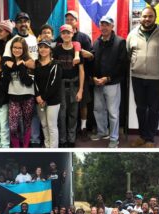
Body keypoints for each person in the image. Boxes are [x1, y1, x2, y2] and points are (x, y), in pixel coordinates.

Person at [127, 6, 159, 148]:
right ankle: (142, 136)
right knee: (140, 108)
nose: (147, 19)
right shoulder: (132, 34)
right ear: (140, 18)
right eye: (145, 16)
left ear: (155, 17)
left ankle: (150, 138)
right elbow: (129, 53)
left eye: (150, 16)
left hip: (157, 79)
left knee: (154, 109)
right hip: (137, 77)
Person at [3, 12, 40, 147]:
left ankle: (28, 144)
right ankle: (16, 145)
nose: (23, 24)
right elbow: (7, 63)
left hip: (31, 86)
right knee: (14, 124)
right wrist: (22, 64)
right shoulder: (11, 41)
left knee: (29, 120)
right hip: (14, 90)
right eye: (20, 21)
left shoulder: (34, 39)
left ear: (29, 23)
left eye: (26, 21)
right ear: (16, 25)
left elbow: (36, 63)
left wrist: (28, 65)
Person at [90, 16, 127, 148]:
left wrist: (108, 78)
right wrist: (94, 77)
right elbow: (93, 62)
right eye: (102, 24)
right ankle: (102, 132)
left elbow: (122, 65)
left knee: (113, 112)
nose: (104, 27)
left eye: (107, 25)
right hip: (97, 83)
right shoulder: (96, 42)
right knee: (98, 109)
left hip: (112, 83)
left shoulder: (120, 42)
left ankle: (114, 138)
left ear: (112, 27)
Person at [59, 10, 93, 141]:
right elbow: (56, 47)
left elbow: (91, 55)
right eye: (67, 19)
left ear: (76, 21)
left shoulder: (83, 38)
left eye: (71, 19)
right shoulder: (61, 36)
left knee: (82, 102)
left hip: (80, 76)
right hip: (64, 79)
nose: (69, 21)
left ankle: (83, 127)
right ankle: (67, 134)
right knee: (65, 108)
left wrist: (80, 51)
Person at [53, 24, 84, 148]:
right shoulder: (56, 50)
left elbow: (82, 71)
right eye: (63, 33)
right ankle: (62, 139)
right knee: (61, 114)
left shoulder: (77, 50)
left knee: (73, 114)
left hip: (74, 85)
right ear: (61, 35)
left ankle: (71, 139)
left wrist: (81, 90)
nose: (66, 35)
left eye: (68, 33)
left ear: (72, 34)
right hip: (60, 85)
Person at [34, 40, 62, 148]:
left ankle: (53, 148)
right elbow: (34, 82)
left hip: (52, 101)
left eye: (46, 47)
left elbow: (54, 85)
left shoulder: (56, 65)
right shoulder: (36, 64)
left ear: (50, 50)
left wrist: (44, 98)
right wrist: (38, 96)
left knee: (51, 125)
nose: (43, 49)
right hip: (39, 100)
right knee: (44, 125)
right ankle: (47, 146)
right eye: (41, 47)